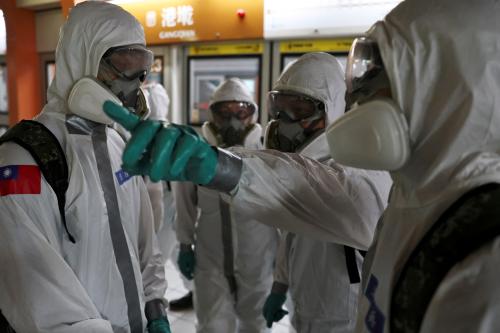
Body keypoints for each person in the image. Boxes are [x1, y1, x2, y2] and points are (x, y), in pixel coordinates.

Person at [323, 0, 500, 332]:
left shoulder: (488, 259)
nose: (364, 103)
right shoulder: (413, 197)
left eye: (384, 83)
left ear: (447, 89)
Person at [0, 2, 170, 332]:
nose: (133, 84)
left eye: (140, 71)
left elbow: (144, 244)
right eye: (122, 67)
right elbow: (42, 303)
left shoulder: (119, 144)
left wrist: (155, 306)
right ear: (81, 59)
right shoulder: (23, 161)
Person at [260, 53, 388, 333]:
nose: (284, 122)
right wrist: (280, 284)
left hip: (344, 313)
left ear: (333, 111)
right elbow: (292, 231)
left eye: (299, 111)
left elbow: (313, 191)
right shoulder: (306, 167)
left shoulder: (356, 170)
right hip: (305, 304)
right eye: (280, 110)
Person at [173, 78, 280, 332]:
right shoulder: (197, 151)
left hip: (257, 254)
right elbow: (184, 201)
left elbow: (281, 209)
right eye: (225, 112)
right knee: (212, 324)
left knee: (256, 324)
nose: (233, 119)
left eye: (241, 111)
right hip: (211, 256)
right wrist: (185, 243)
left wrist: (284, 264)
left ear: (252, 114)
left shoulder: (267, 152)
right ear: (213, 115)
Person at [142, 79, 195, 311]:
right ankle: (195, 290)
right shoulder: (171, 132)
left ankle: (153, 307)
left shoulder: (167, 135)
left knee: (155, 260)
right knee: (171, 252)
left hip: (166, 202)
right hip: (165, 202)